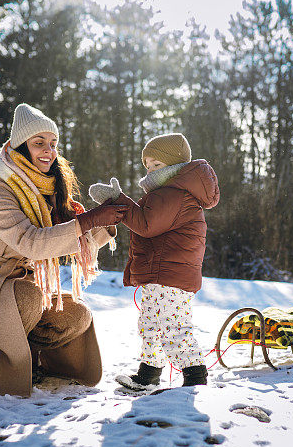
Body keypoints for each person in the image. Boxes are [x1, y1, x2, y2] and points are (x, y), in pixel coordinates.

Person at [0, 103, 127, 396]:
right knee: (30, 297)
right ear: (20, 147)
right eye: (39, 143)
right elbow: (33, 242)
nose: (48, 151)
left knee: (76, 314)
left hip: (13, 289)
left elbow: (65, 241)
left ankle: (33, 364)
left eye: (53, 144)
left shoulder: (45, 190)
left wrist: (106, 223)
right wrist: (89, 220)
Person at [88, 133, 219, 390]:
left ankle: (195, 374)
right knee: (150, 324)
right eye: (147, 166)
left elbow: (146, 224)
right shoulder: (166, 193)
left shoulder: (175, 194)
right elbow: (147, 221)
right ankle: (149, 374)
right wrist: (119, 202)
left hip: (170, 275)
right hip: (160, 274)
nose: (150, 171)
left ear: (175, 165)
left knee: (173, 326)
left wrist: (118, 200)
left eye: (156, 165)